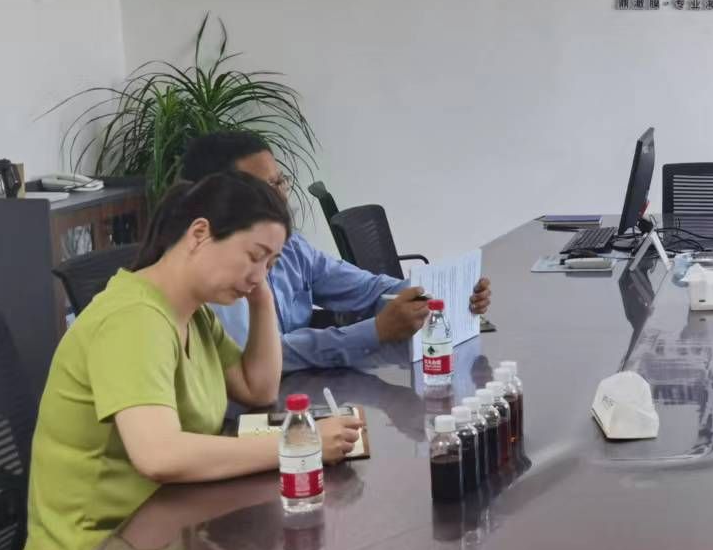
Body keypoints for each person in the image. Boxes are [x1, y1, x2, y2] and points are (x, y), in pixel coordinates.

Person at [24, 172, 365, 550]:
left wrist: (261, 298)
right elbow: (159, 455)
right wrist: (299, 445)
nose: (259, 274)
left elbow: (257, 388)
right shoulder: (134, 320)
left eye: (270, 264)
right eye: (254, 256)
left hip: (165, 531)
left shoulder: (193, 313)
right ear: (200, 233)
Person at [178, 131, 491, 371]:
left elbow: (368, 289)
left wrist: (442, 295)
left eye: (281, 182)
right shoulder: (212, 275)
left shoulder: (293, 246)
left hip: (300, 392)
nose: (282, 197)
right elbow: (262, 357)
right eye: (267, 187)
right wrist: (374, 331)